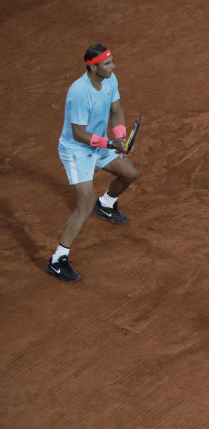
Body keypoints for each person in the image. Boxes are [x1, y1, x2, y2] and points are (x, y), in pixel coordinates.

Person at [47, 44, 140, 282]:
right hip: (77, 150)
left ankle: (107, 204)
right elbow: (78, 133)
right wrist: (111, 144)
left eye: (112, 62)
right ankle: (58, 260)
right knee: (85, 205)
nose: (113, 67)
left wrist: (119, 136)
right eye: (107, 64)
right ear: (92, 66)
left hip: (100, 144)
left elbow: (117, 110)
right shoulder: (79, 92)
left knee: (129, 174)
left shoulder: (110, 79)